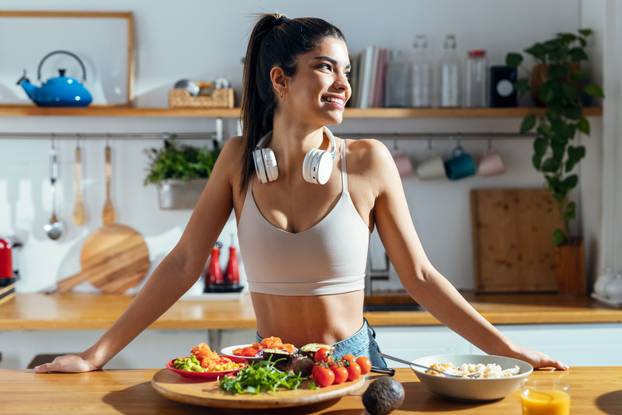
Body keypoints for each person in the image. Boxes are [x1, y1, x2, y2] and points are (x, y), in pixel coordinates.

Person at [35, 13, 567, 373]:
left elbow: (422, 278)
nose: (343, 83)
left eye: (348, 71)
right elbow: (182, 265)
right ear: (281, 81)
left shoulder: (368, 161)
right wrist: (93, 355)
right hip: (271, 371)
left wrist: (510, 351)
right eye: (325, 67)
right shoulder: (238, 160)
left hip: (353, 368)